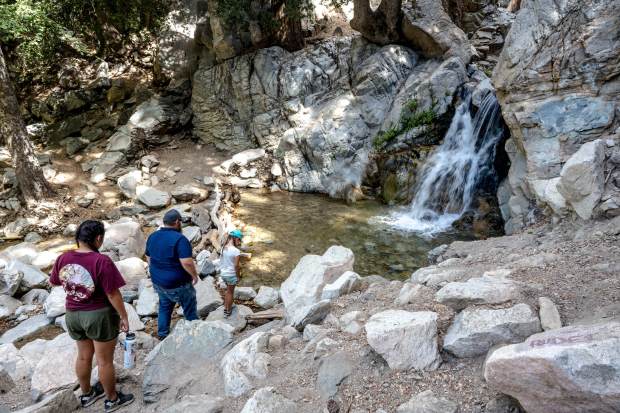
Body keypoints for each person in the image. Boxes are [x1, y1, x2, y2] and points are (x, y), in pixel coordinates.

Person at [50, 220, 134, 412]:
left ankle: (87, 395)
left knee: (83, 357)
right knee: (104, 361)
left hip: (72, 314)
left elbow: (55, 282)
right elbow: (112, 294)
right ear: (98, 238)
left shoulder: (63, 258)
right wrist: (124, 316)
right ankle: (112, 400)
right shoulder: (101, 261)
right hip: (98, 315)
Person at [145, 209, 199, 339]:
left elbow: (148, 257)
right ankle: (193, 332)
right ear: (176, 222)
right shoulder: (180, 239)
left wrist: (157, 270)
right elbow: (187, 262)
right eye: (180, 221)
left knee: (164, 306)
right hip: (178, 284)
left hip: (158, 281)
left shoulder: (153, 236)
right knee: (189, 306)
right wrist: (194, 275)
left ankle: (162, 334)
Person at [220, 229, 243, 317]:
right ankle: (228, 310)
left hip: (223, 274)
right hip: (231, 275)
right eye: (239, 239)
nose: (239, 242)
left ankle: (226, 306)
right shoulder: (236, 251)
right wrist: (238, 276)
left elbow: (222, 262)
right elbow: (236, 266)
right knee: (230, 292)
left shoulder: (223, 248)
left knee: (228, 291)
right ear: (234, 238)